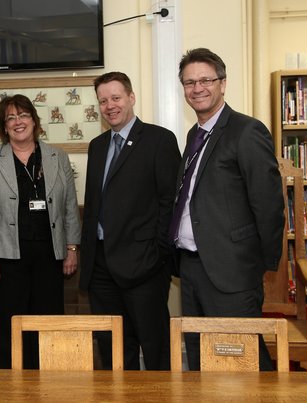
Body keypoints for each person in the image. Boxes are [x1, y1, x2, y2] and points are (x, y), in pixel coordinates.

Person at [172, 48, 284, 370]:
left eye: (206, 79)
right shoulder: (195, 135)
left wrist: (257, 266)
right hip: (191, 268)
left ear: (223, 83)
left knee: (240, 358)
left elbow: (269, 204)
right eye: (189, 82)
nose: (197, 88)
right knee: (200, 357)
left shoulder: (246, 131)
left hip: (232, 271)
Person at [0, 94, 81, 368]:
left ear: (34, 120)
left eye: (23, 115)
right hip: (6, 258)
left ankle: (48, 379)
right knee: (8, 323)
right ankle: (10, 382)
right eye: (11, 118)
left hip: (49, 254)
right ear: (4, 126)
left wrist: (71, 248)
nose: (18, 122)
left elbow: (69, 206)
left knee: (47, 322)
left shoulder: (58, 157)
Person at [80, 71, 181, 370]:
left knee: (155, 346)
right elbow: (96, 204)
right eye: (103, 101)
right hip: (101, 268)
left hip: (144, 266)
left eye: (115, 98)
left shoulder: (159, 140)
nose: (109, 106)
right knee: (114, 349)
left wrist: (158, 254)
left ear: (131, 97)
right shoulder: (97, 146)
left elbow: (170, 203)